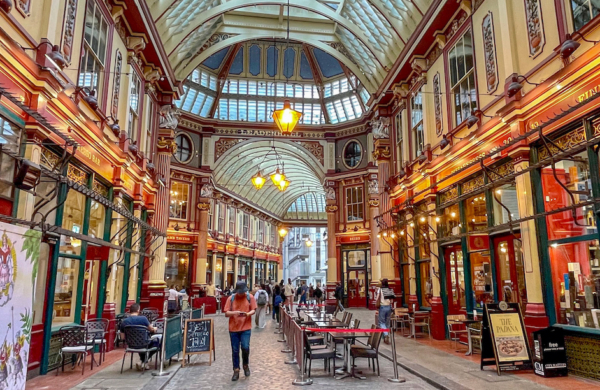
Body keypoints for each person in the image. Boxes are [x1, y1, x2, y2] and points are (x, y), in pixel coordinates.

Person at [224, 282, 257, 381]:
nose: (241, 294)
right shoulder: (231, 298)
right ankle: (236, 370)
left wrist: (247, 314)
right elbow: (226, 313)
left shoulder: (249, 297)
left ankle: (245, 365)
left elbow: (253, 310)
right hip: (233, 328)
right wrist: (235, 313)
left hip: (246, 327)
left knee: (245, 347)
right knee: (235, 350)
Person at [120, 303, 159, 370]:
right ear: (138, 310)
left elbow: (122, 337)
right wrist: (155, 328)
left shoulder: (124, 322)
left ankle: (143, 362)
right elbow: (151, 329)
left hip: (131, 345)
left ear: (130, 311)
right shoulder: (143, 319)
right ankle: (144, 361)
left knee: (140, 343)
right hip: (144, 343)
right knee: (157, 343)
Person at [376, 278, 395, 345]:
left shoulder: (380, 290)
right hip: (389, 307)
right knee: (387, 322)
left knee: (381, 322)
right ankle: (386, 336)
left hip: (382, 307)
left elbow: (377, 298)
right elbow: (392, 300)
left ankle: (386, 335)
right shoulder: (390, 289)